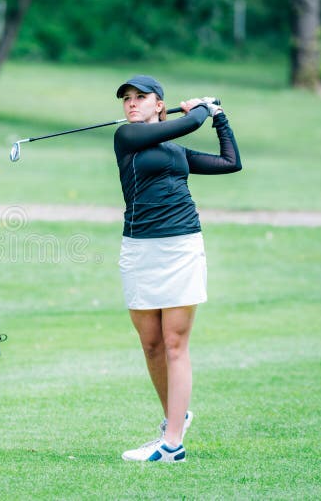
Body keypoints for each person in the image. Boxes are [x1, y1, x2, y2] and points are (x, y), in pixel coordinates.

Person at [113, 75, 241, 462]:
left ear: (158, 104)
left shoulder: (177, 152)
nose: (132, 104)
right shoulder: (126, 138)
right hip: (139, 250)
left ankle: (171, 443)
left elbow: (230, 163)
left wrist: (218, 117)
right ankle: (176, 414)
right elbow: (188, 122)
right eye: (127, 99)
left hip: (182, 246)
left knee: (173, 343)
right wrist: (200, 108)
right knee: (151, 343)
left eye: (141, 98)